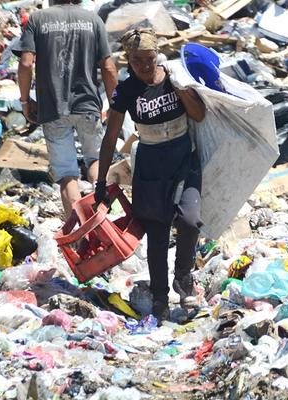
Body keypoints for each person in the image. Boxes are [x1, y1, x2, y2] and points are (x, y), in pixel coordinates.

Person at [95, 29, 206, 321]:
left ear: (157, 55)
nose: (144, 66)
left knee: (190, 219)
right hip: (150, 167)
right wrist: (100, 180)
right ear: (127, 60)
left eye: (149, 59)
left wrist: (181, 87)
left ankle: (184, 275)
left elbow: (199, 115)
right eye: (136, 60)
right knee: (156, 234)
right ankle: (160, 297)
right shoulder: (126, 89)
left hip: (184, 159)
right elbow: (111, 136)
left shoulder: (173, 78)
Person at [14, 0, 118, 218]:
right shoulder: (93, 20)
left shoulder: (37, 19)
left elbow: (25, 64)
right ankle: (106, 221)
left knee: (67, 174)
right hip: (88, 105)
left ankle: (81, 236)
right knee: (96, 160)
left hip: (53, 108)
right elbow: (108, 66)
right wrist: (116, 104)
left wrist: (25, 101)